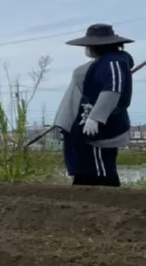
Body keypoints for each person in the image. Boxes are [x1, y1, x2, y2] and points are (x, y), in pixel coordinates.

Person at [53, 24, 135, 187]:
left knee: (100, 172)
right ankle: (85, 197)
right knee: (84, 169)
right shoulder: (103, 63)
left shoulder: (113, 62)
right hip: (81, 127)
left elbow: (112, 90)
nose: (86, 49)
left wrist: (95, 118)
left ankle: (106, 200)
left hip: (95, 128)